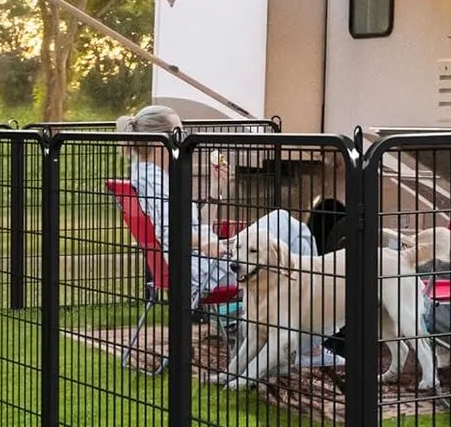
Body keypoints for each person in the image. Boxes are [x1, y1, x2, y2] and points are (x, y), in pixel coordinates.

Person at [114, 104, 315, 304]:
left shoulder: (153, 175)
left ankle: (304, 307)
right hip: (204, 270)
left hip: (208, 260)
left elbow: (197, 226)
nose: (183, 139)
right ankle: (311, 306)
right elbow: (168, 233)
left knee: (295, 237)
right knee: (285, 224)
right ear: (158, 140)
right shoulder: (153, 180)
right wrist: (203, 242)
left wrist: (215, 188)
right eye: (179, 133)